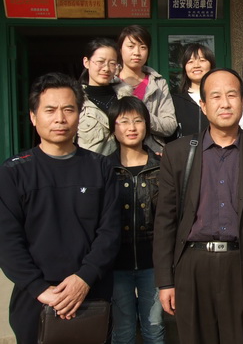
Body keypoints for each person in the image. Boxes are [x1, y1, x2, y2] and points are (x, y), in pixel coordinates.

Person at [153, 68, 243, 344]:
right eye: (216, 96)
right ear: (203, 105)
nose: (225, 103)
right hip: (193, 266)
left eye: (232, 95)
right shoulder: (178, 152)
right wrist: (165, 280)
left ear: (242, 102)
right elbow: (165, 222)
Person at [0, 72, 120, 344]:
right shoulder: (14, 172)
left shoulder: (100, 167)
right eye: (50, 110)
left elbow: (110, 232)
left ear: (79, 115)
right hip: (35, 299)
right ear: (33, 117)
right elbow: (7, 241)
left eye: (68, 109)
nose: (60, 119)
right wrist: (40, 289)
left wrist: (84, 278)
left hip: (91, 294)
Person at [108, 96, 165, 344]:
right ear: (113, 127)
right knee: (123, 331)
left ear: (147, 125)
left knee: (154, 328)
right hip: (116, 264)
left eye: (138, 120)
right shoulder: (104, 169)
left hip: (153, 263)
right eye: (123, 121)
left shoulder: (161, 167)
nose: (131, 127)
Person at [118, 25, 177, 152]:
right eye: (131, 46)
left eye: (143, 47)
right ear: (120, 49)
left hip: (152, 154)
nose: (137, 52)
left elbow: (170, 126)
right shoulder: (110, 82)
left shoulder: (158, 84)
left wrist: (142, 116)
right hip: (116, 154)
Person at [77, 37, 132, 155]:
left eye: (112, 63)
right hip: (91, 165)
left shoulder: (126, 96)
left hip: (125, 165)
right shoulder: (76, 101)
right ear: (86, 62)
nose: (106, 68)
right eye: (100, 62)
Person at [171, 43, 214, 139]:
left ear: (211, 65)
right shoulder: (175, 101)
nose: (196, 65)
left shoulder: (219, 99)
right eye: (190, 62)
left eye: (202, 60)